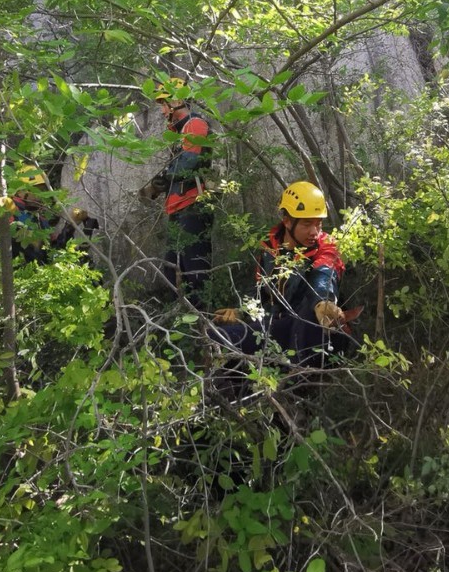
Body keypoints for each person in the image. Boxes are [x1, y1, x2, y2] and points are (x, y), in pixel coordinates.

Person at [212, 181, 353, 368]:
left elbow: (324, 275)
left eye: (318, 224)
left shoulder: (327, 246)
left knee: (308, 316)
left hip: (311, 330)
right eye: (307, 224)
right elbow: (259, 290)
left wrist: (322, 301)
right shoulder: (269, 248)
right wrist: (241, 311)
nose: (314, 232)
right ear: (287, 221)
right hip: (277, 326)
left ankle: (295, 385)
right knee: (217, 336)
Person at [139, 79, 213, 305]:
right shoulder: (180, 133)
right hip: (178, 209)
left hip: (193, 206)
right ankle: (180, 319)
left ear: (178, 100)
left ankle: (202, 324)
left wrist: (162, 179)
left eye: (165, 104)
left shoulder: (195, 124)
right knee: (173, 270)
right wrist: (158, 184)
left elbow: (188, 163)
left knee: (195, 269)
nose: (163, 111)